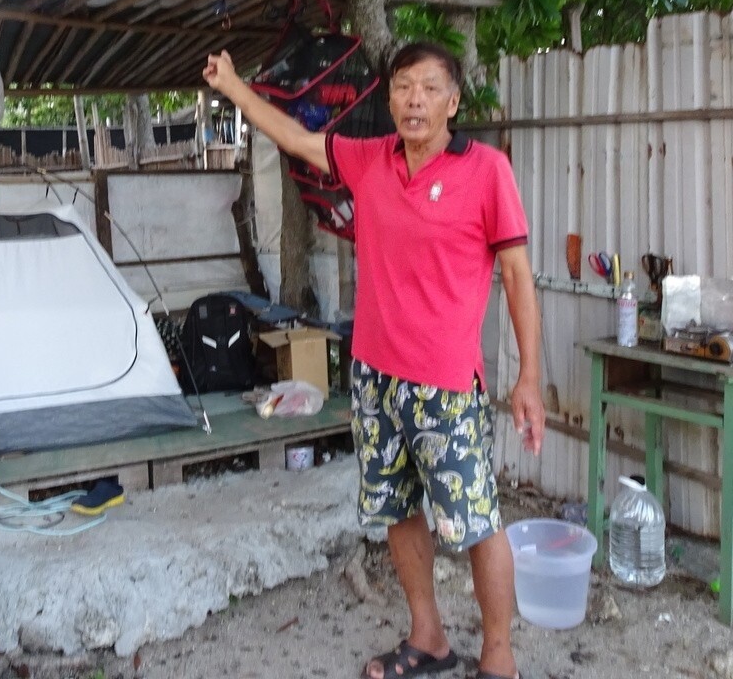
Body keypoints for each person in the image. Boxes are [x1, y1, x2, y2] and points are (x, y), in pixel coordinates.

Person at [203, 42, 545, 679]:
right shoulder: (370, 160)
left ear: (453, 101)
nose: (414, 99)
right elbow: (297, 139)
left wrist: (529, 375)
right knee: (395, 509)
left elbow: (519, 277)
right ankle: (429, 638)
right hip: (374, 378)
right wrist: (235, 89)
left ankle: (499, 659)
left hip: (446, 385)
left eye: (429, 87)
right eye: (403, 87)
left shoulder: (486, 170)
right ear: (388, 99)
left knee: (475, 520)